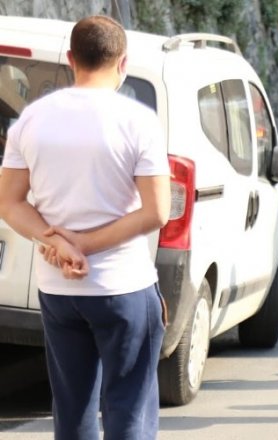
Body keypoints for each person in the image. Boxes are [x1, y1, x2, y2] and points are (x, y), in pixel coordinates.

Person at [0, 15, 170, 439]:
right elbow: (156, 213)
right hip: (123, 287)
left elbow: (9, 202)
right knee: (128, 410)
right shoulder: (139, 121)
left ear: (71, 59)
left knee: (72, 412)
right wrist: (86, 245)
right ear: (123, 62)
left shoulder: (31, 119)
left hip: (58, 290)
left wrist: (56, 240)